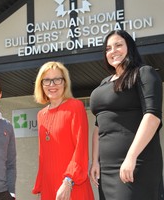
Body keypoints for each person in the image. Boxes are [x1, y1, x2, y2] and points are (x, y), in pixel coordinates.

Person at [89, 30, 163, 199]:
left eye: (118, 45)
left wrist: (131, 157)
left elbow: (152, 116)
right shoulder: (104, 83)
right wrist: (95, 161)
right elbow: (99, 125)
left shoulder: (144, 72)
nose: (113, 51)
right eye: (108, 48)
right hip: (106, 169)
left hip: (135, 162)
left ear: (129, 47)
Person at [32, 61, 94, 200]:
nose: (52, 85)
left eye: (57, 79)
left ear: (65, 83)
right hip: (49, 187)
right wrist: (41, 186)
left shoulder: (75, 107)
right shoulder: (41, 115)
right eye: (46, 80)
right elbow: (43, 156)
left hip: (72, 185)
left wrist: (68, 182)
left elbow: (81, 149)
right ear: (41, 85)